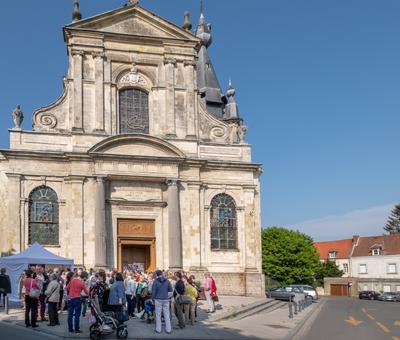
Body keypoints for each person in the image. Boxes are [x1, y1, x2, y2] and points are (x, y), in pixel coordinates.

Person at [152, 269, 172, 334]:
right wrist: (167, 296)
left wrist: (153, 299)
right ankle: (168, 329)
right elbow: (171, 290)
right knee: (167, 314)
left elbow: (153, 291)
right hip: (166, 299)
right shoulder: (167, 281)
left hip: (158, 299)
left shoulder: (155, 281)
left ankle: (158, 329)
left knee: (158, 315)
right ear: (161, 274)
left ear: (156, 274)